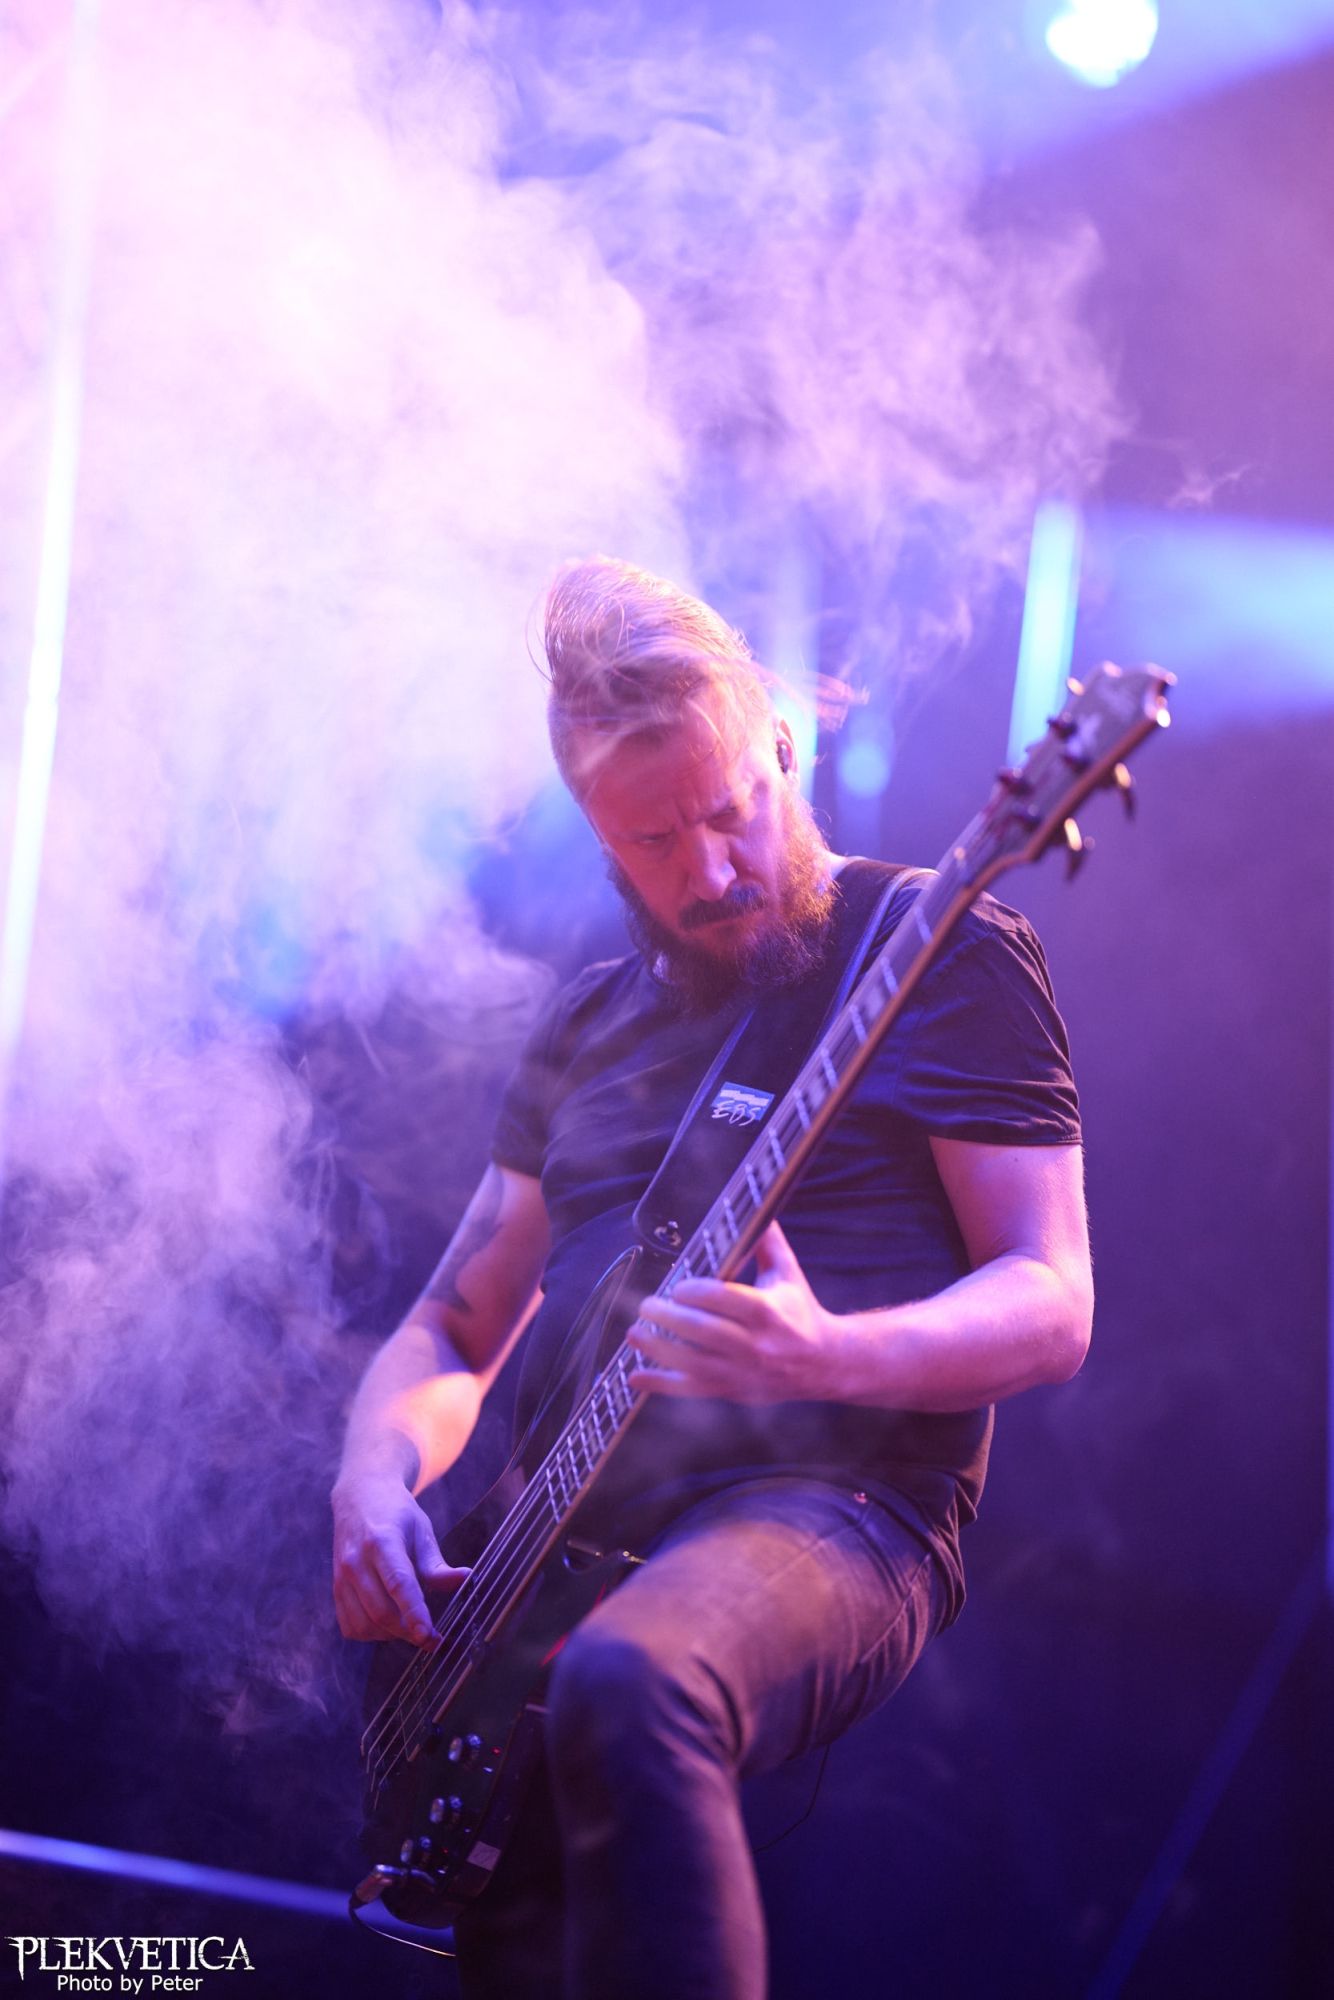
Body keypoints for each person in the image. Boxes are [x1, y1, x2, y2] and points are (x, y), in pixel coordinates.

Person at [331, 556, 1093, 2000]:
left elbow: (1052, 1299)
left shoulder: (936, 948)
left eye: (732, 808)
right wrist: (372, 1478)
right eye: (654, 840)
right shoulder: (589, 1025)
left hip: (835, 1503)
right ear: (597, 836)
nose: (713, 870)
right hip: (550, 1552)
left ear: (782, 745)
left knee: (636, 1682)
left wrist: (825, 1356)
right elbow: (451, 1326)